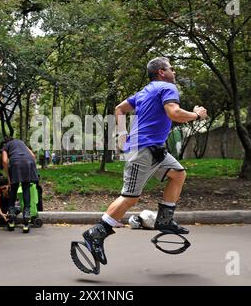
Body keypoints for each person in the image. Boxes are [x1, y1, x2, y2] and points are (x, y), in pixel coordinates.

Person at [80, 57, 208, 265]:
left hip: (156, 150)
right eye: (170, 68)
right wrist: (197, 115)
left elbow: (120, 108)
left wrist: (122, 136)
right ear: (161, 72)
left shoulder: (145, 91)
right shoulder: (167, 87)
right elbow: (174, 113)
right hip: (143, 150)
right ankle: (95, 233)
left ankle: (165, 219)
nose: (174, 71)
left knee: (178, 174)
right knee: (130, 197)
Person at [2, 136, 39, 233]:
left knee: (13, 188)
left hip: (16, 163)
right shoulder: (21, 142)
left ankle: (11, 218)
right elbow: (33, 156)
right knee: (26, 187)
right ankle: (26, 217)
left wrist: (8, 177)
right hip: (29, 162)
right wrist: (32, 169)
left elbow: (5, 161)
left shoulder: (6, 146)